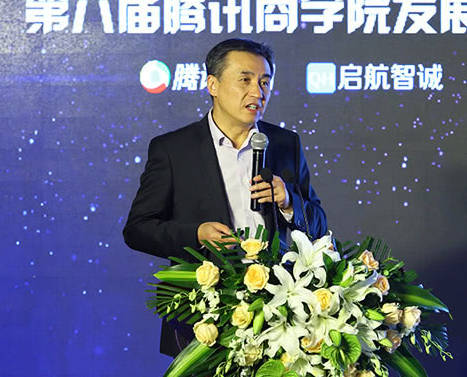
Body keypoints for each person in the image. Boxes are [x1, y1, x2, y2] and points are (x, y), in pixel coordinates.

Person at [123, 38, 327, 357]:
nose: (257, 92)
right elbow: (138, 229)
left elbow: (318, 227)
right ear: (213, 85)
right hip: (205, 317)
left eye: (264, 82)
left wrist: (289, 201)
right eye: (245, 80)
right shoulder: (174, 149)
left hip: (278, 315)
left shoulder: (285, 143)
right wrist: (196, 234)